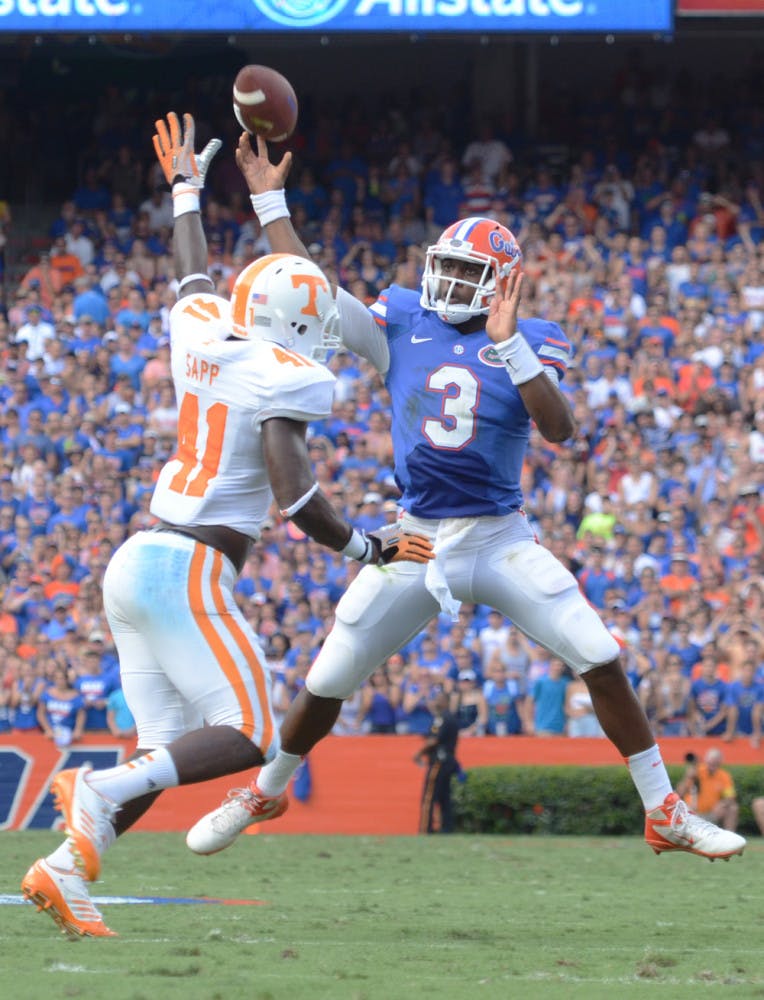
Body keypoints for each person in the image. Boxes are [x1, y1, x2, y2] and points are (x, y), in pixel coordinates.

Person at [188, 131, 745, 864]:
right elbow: (312, 286)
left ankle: (664, 809)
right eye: (443, 266)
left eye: (466, 271)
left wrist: (511, 344)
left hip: (497, 536)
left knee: (598, 654)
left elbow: (561, 428)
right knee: (329, 676)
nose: (447, 281)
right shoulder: (399, 321)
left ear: (503, 282)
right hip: (416, 534)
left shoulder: (533, 338)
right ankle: (267, 790)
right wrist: (269, 201)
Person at [21, 113, 433, 940]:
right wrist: (365, 545)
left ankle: (61, 871)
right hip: (191, 570)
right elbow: (292, 491)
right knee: (245, 732)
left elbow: (190, 274)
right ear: (298, 325)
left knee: (161, 750)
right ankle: (92, 795)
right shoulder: (286, 372)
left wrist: (185, 190)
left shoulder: (204, 328)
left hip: (135, 561)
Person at [414, 688, 461, 833]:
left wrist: (419, 753)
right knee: (444, 797)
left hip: (439, 761)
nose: (436, 702)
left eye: (439, 699)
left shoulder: (442, 718)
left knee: (430, 795)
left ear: (445, 702)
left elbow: (434, 740)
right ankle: (447, 829)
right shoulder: (451, 718)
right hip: (449, 760)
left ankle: (425, 828)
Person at [676, 749, 740, 833]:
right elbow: (679, 793)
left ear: (720, 762)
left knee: (733, 808)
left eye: (715, 763)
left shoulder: (724, 776)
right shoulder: (696, 771)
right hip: (692, 812)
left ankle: (730, 837)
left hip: (712, 814)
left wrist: (722, 803)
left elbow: (731, 797)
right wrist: (688, 777)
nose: (712, 765)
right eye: (710, 763)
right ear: (706, 761)